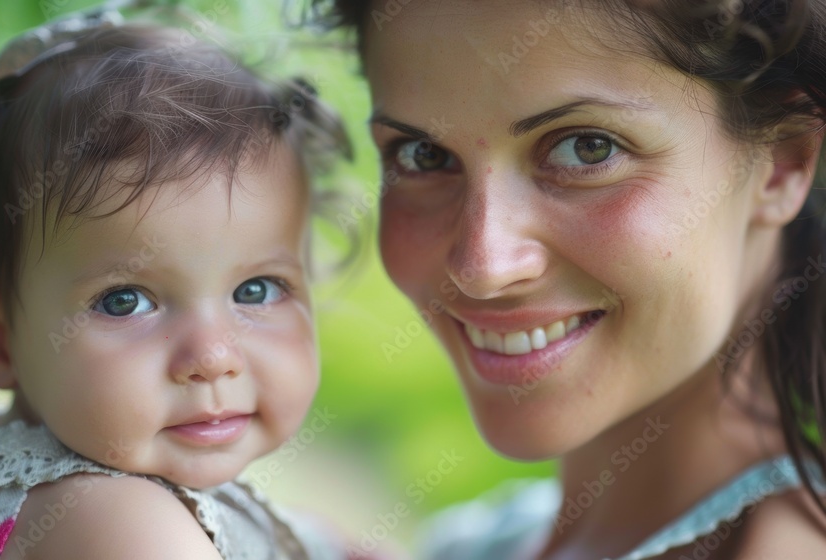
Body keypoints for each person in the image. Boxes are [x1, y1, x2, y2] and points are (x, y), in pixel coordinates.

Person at [313, 0, 826, 558]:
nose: (481, 268)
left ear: (782, 164)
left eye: (587, 148)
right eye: (424, 154)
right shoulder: (498, 536)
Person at [0, 3, 351, 559]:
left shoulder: (48, 487)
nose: (214, 357)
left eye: (256, 290)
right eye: (124, 301)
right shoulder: (123, 527)